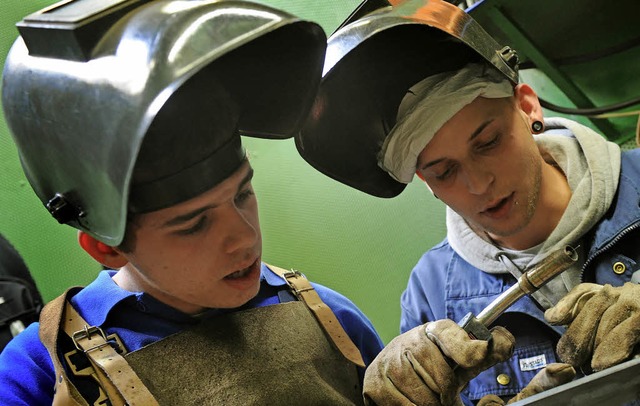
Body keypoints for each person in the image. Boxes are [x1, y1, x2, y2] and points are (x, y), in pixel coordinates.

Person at [0, 1, 383, 404]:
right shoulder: (36, 374)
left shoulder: (327, 317)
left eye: (243, 194)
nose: (244, 237)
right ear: (106, 247)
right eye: (193, 224)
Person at [296, 0, 640, 404]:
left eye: (489, 142)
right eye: (444, 171)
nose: (478, 184)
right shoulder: (431, 293)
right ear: (426, 181)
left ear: (528, 106)